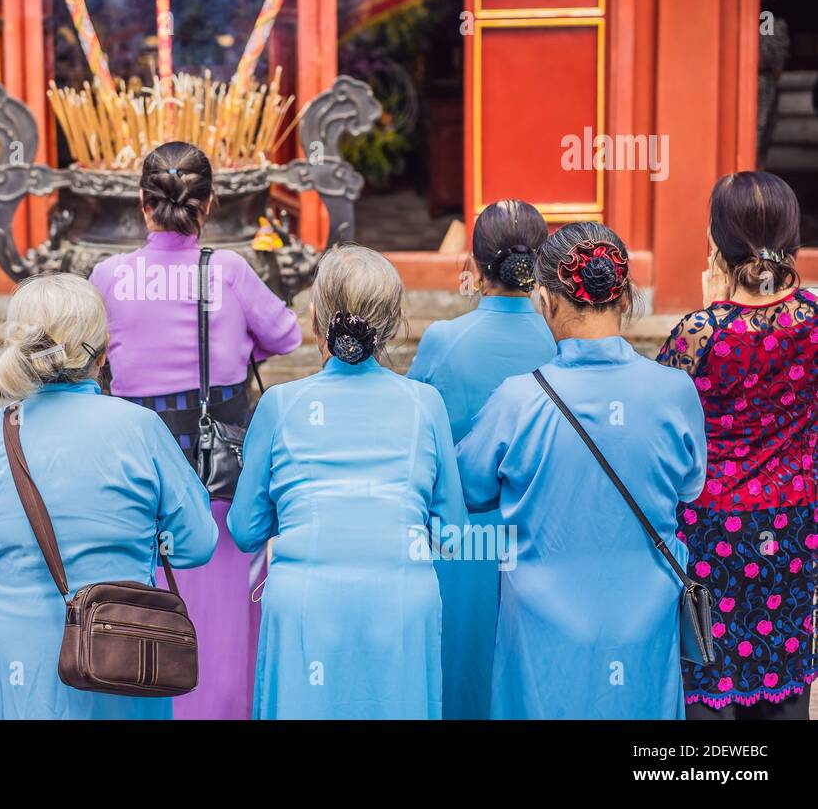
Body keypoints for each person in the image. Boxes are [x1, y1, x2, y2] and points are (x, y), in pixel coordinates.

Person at [457, 221, 707, 719]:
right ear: (625, 297)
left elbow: (471, 485)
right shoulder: (674, 393)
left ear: (546, 301)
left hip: (540, 634)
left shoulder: (518, 399)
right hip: (644, 624)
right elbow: (689, 486)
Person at [89, 141, 301, 719]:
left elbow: (88, 352)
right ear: (208, 203)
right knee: (224, 619)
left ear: (142, 203)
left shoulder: (109, 276)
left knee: (146, 613)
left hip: (138, 486)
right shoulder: (228, 272)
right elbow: (288, 336)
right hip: (218, 481)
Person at [228, 244, 466, 719]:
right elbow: (453, 534)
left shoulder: (281, 404)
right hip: (401, 602)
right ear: (395, 322)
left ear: (314, 318)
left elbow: (245, 529)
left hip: (305, 605)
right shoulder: (425, 404)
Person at [0, 274, 218, 719]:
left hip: (13, 650)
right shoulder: (139, 428)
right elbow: (196, 544)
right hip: (119, 643)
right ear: (103, 353)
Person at [657, 171, 816, 720]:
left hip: (712, 530)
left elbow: (662, 417)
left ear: (717, 243)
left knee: (708, 678)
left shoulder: (699, 333)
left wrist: (712, 312)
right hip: (794, 526)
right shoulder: (815, 321)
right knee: (787, 674)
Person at [408, 199, 556, 720]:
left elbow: (415, 431)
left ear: (472, 267)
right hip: (542, 533)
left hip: (462, 534)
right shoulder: (561, 342)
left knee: (461, 676)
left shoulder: (444, 341)